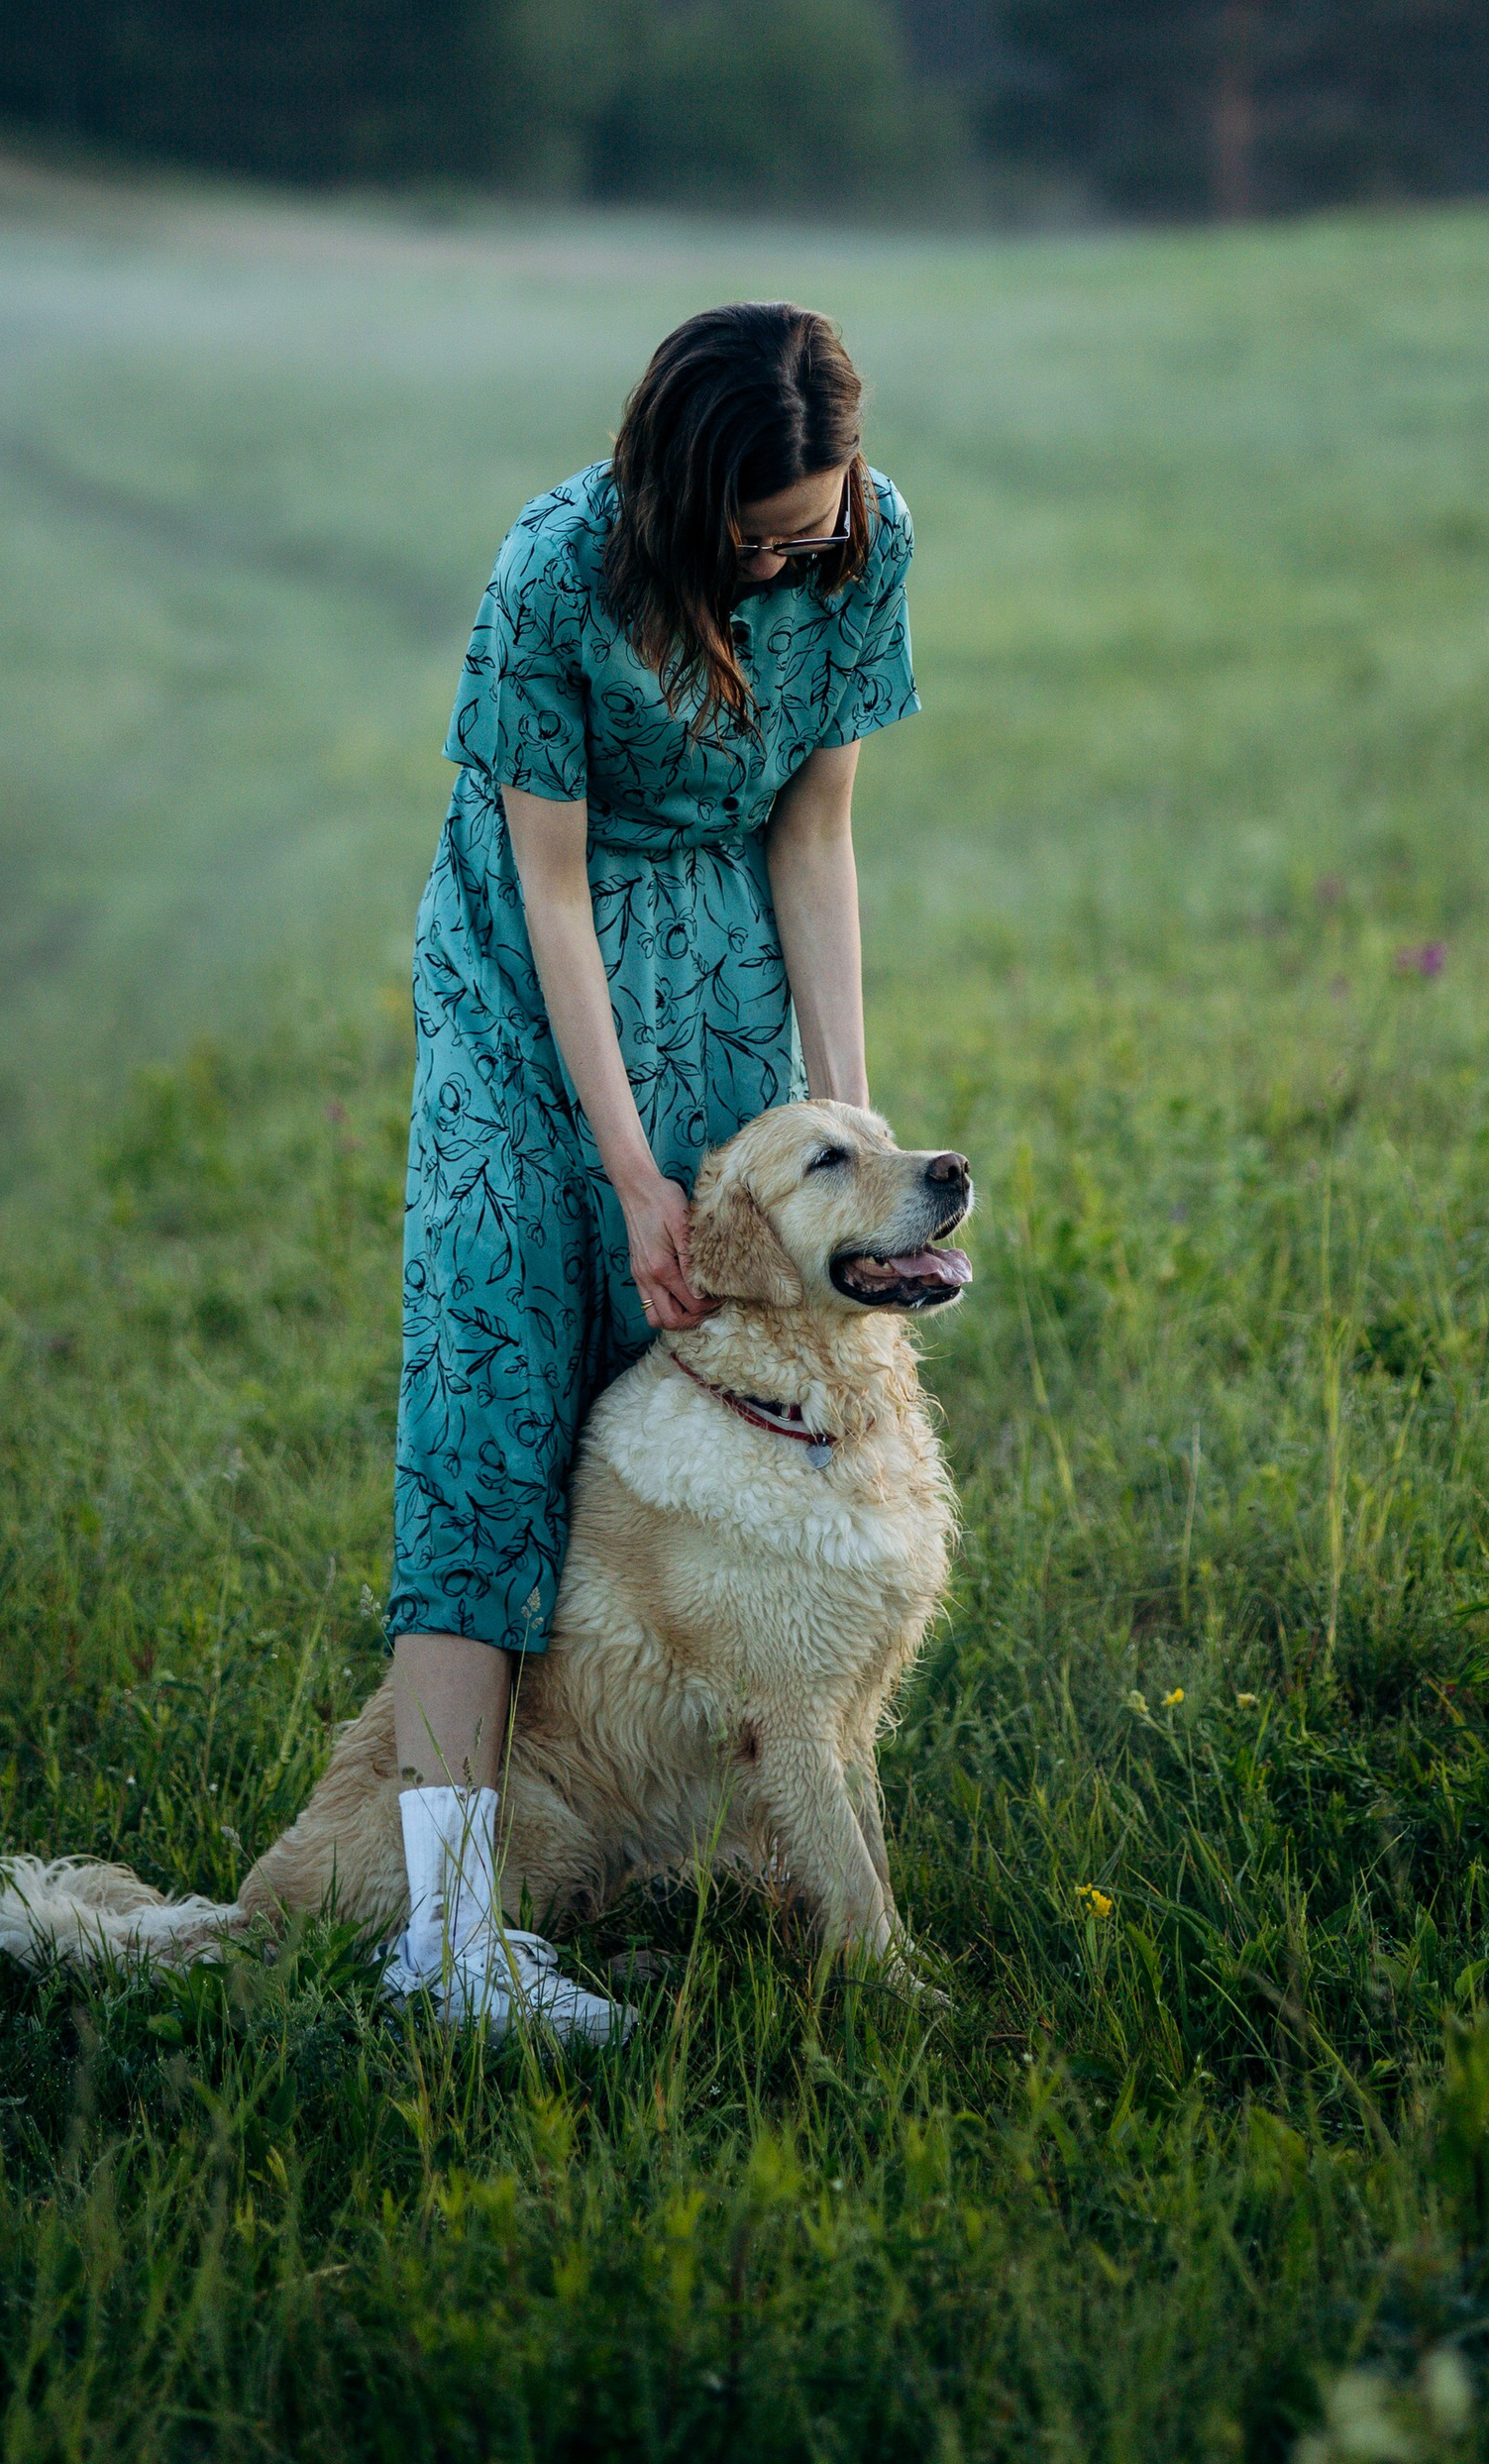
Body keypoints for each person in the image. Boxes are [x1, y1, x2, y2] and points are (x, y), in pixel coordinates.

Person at [381, 301, 917, 2039]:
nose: (798, 560)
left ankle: (719, 1830)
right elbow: (549, 886)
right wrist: (628, 1170)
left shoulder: (866, 540)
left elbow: (815, 834)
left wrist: (851, 1135)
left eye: (816, 524)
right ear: (682, 508)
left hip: (723, 966)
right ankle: (449, 1937)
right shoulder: (555, 569)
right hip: (529, 1002)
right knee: (495, 1417)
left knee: (698, 1390)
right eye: (761, 541)